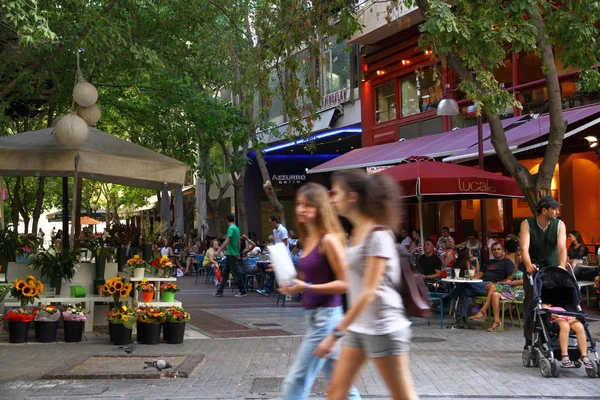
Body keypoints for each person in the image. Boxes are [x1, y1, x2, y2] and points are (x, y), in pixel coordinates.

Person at [315, 169, 418, 400]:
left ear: (352, 196)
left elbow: (369, 292)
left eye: (335, 192)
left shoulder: (378, 235)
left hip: (384, 326)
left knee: (402, 396)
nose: (332, 198)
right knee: (335, 391)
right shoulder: (357, 233)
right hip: (359, 327)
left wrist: (335, 334)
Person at [276, 182, 361, 400]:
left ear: (320, 208)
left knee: (296, 381)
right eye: (298, 204)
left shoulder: (329, 240)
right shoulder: (309, 239)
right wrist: (290, 279)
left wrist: (307, 287)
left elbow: (346, 283)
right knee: (341, 386)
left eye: (308, 205)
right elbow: (309, 278)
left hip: (327, 318)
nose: (301, 209)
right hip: (316, 317)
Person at [520, 196, 567, 350]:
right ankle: (529, 340)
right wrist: (527, 265)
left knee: (553, 301)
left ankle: (552, 335)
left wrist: (561, 266)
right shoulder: (527, 224)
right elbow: (524, 248)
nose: (557, 211)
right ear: (544, 210)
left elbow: (561, 247)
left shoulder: (559, 224)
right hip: (533, 268)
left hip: (552, 269)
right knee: (531, 302)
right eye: (554, 208)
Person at [449, 242, 514, 328]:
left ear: (503, 251)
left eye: (499, 249)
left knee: (463, 285)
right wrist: (471, 280)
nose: (496, 251)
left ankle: (450, 297)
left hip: (493, 287)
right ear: (492, 251)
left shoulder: (507, 262)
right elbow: (480, 274)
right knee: (463, 290)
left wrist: (495, 284)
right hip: (480, 285)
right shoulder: (489, 262)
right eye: (494, 250)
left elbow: (509, 279)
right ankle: (462, 320)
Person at [471, 240, 523, 331]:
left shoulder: (527, 266)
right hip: (508, 288)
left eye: (521, 255)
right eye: (518, 255)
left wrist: (511, 283)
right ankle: (497, 321)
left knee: (493, 286)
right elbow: (511, 279)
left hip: (518, 292)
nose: (519, 257)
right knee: (495, 294)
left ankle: (483, 311)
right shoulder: (517, 267)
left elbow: (525, 281)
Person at [541, 303, 593, 369]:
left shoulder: (561, 308)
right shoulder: (548, 310)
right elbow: (552, 315)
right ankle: (564, 355)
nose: (543, 306)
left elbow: (569, 315)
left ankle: (584, 355)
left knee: (580, 326)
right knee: (565, 326)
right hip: (558, 320)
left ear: (550, 304)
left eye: (544, 305)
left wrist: (574, 318)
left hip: (568, 318)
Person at [214, 214, 246, 298]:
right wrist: (238, 252)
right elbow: (238, 241)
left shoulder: (231, 228)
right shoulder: (237, 228)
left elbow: (227, 240)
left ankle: (242, 291)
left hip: (231, 254)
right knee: (225, 273)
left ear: (227, 220)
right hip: (232, 253)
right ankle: (220, 291)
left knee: (236, 273)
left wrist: (219, 250)